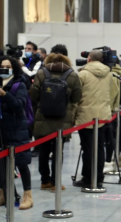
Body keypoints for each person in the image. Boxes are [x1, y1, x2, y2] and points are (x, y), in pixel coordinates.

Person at [0, 56, 33, 209]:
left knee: (21, 163)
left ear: (13, 68)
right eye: (1, 66)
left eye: (8, 66)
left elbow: (19, 105)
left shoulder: (19, 84)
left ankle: (27, 195)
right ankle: (3, 193)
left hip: (16, 128)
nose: (4, 69)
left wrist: (5, 95)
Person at [30, 50, 82, 191]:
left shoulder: (42, 73)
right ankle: (56, 182)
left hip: (43, 118)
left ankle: (44, 181)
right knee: (58, 152)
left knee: (44, 151)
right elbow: (77, 97)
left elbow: (33, 94)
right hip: (62, 119)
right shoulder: (72, 75)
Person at [74, 50, 120, 188]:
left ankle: (88, 178)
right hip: (103, 115)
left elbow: (76, 96)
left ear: (89, 58)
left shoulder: (82, 74)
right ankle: (99, 177)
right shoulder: (109, 74)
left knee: (87, 148)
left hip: (86, 116)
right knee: (100, 147)